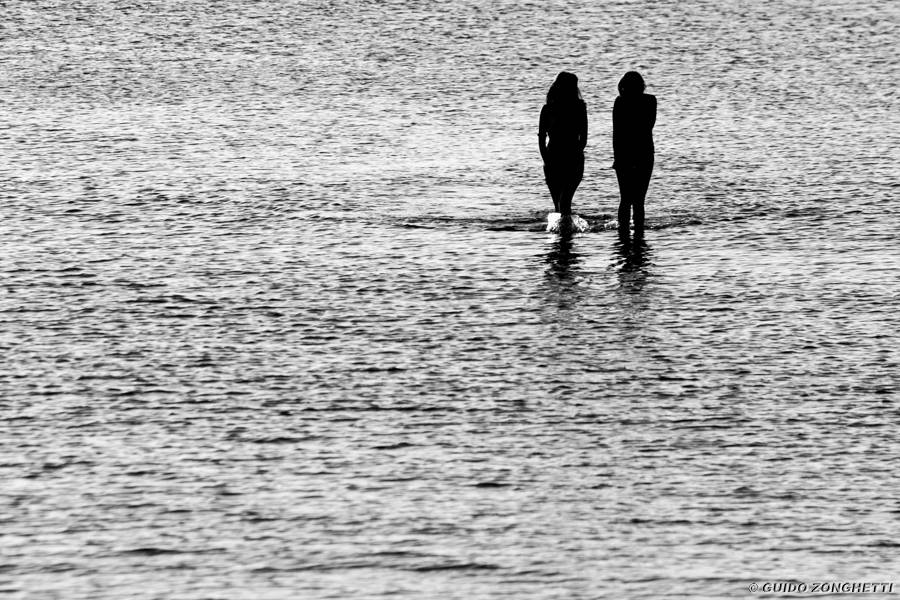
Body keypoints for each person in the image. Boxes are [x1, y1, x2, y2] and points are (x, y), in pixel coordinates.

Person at [613, 71, 656, 238]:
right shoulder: (650, 101)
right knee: (639, 200)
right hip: (644, 152)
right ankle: (639, 235)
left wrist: (617, 157)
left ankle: (623, 236)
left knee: (625, 198)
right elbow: (648, 126)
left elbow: (617, 132)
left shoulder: (620, 102)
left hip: (625, 153)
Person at [538, 72, 588, 217]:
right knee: (562, 203)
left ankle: (563, 229)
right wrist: (547, 160)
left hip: (559, 157)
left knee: (562, 202)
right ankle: (565, 229)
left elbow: (541, 140)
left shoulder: (550, 109)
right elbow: (583, 139)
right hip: (561, 157)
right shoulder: (578, 108)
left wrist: (546, 158)